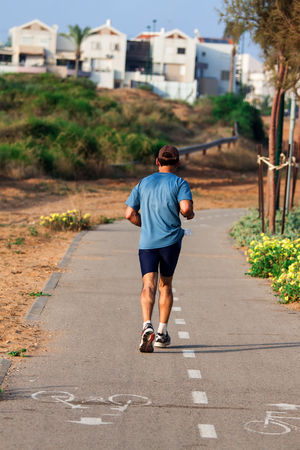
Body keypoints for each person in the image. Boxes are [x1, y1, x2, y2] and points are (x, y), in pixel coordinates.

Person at [125, 144, 194, 353]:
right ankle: (162, 334)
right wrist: (189, 216)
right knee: (166, 285)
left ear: (157, 162)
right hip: (170, 242)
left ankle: (147, 325)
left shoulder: (143, 182)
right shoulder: (180, 182)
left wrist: (144, 225)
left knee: (148, 285)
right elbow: (185, 209)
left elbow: (129, 213)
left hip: (147, 243)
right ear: (178, 163)